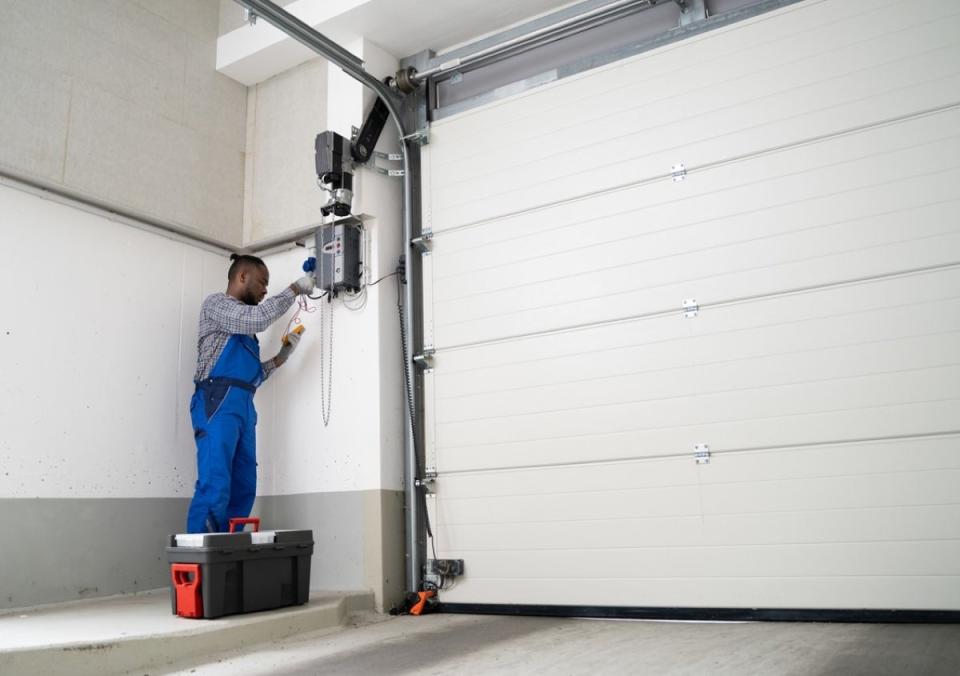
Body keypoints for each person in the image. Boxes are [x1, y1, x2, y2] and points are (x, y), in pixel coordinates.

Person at [186, 253, 315, 533]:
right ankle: (200, 563)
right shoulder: (216, 305)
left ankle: (228, 558)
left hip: (243, 405)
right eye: (262, 283)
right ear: (242, 277)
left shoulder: (245, 334)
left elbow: (253, 377)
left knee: (244, 486)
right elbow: (257, 319)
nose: (265, 290)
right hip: (216, 404)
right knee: (215, 483)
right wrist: (294, 288)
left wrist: (282, 356)